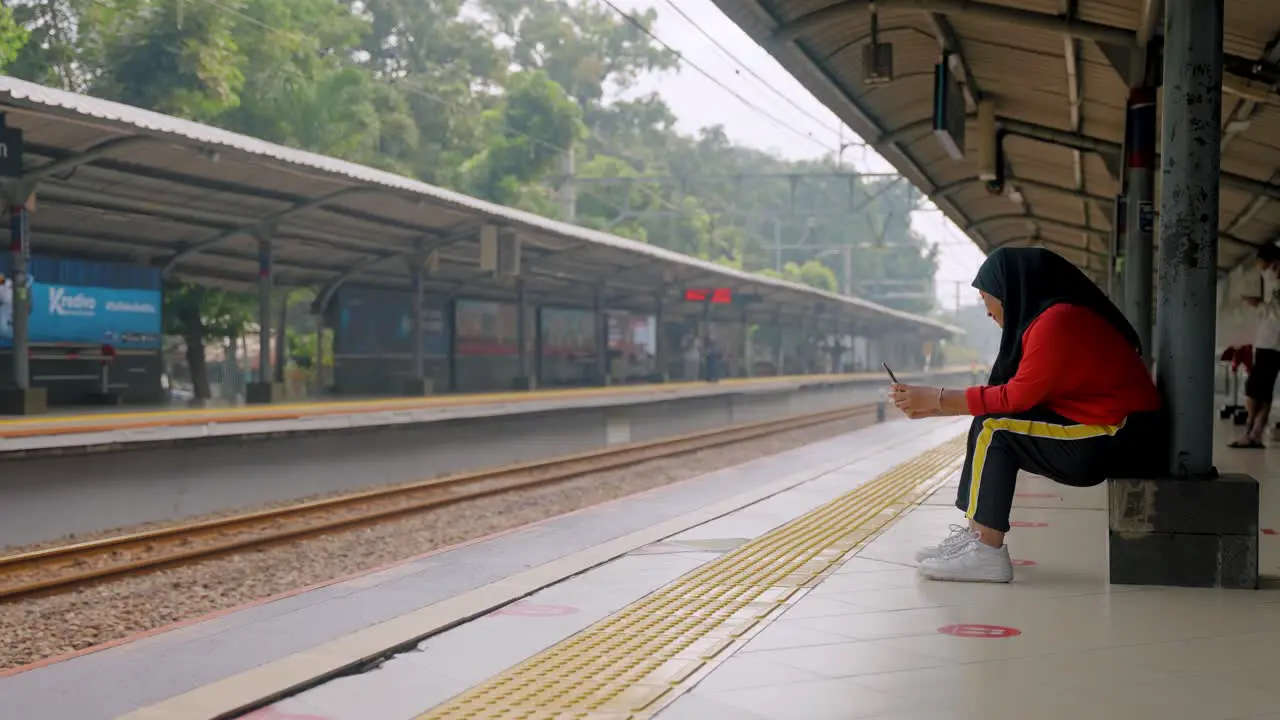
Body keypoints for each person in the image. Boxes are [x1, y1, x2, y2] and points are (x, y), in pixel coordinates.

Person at [889, 248, 1164, 583]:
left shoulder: (1057, 321)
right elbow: (1016, 397)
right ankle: (977, 536)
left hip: (1117, 434)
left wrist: (937, 399)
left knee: (996, 430)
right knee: (988, 423)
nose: (987, 311)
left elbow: (1016, 396)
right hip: (1107, 425)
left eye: (985, 297)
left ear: (1011, 291)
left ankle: (986, 552)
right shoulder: (1050, 318)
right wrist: (931, 407)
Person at [1229, 243, 1280, 448]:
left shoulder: (1277, 284)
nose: (1261, 268)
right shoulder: (1273, 283)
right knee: (1263, 391)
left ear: (1274, 263)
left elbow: (1276, 314)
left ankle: (1252, 431)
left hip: (1272, 344)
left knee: (1254, 389)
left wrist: (1258, 304)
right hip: (1269, 342)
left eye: (1262, 264)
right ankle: (1255, 433)